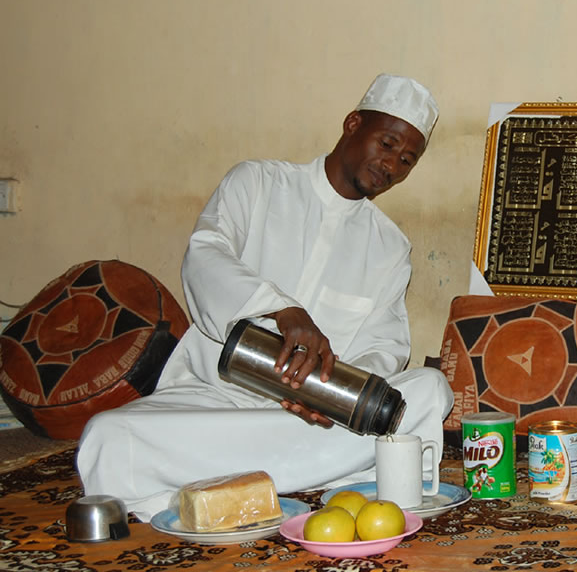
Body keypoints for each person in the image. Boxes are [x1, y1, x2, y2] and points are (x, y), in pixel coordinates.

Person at [76, 74, 454, 522]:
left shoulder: (390, 248)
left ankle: (233, 483)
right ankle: (316, 474)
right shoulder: (257, 183)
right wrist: (281, 309)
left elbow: (384, 346)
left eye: (407, 160)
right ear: (353, 124)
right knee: (108, 436)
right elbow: (205, 256)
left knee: (428, 391)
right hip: (216, 400)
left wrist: (332, 395)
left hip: (310, 420)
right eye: (387, 144)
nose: (391, 165)